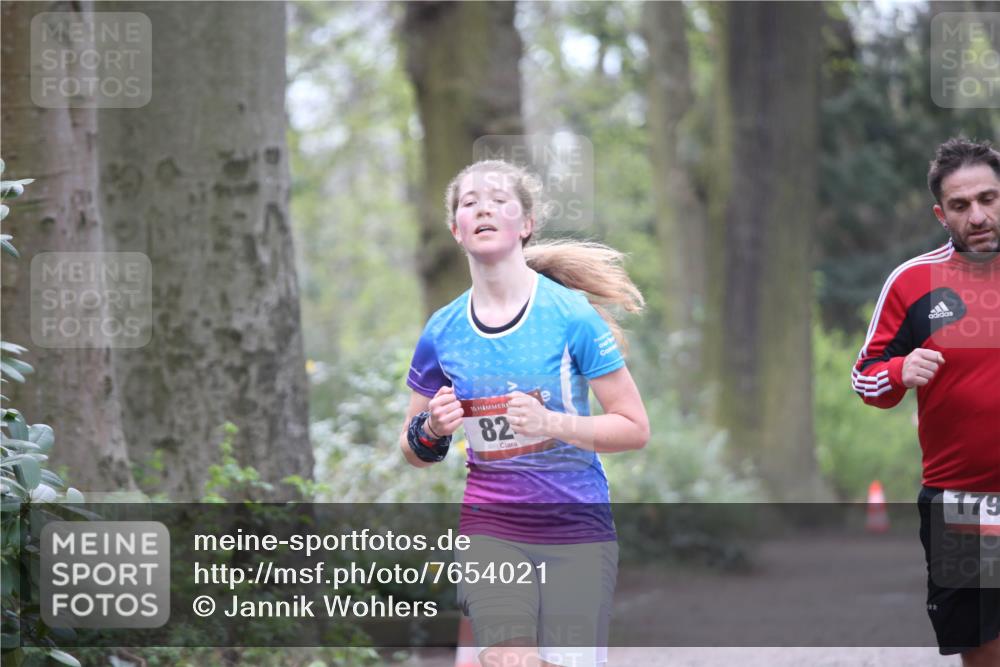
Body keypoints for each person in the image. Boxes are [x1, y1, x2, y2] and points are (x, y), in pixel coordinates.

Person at [398, 159, 649, 667]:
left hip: (574, 524)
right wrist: (432, 430)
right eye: (469, 202)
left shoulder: (569, 315)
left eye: (498, 200)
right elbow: (411, 449)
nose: (483, 208)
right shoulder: (443, 330)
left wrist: (554, 424)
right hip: (491, 527)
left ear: (526, 225)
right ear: (456, 230)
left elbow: (634, 427)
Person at [853, 138, 999, 666]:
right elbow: (865, 376)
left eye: (989, 198)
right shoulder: (913, 282)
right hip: (962, 504)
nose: (978, 215)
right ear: (941, 213)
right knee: (983, 652)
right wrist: (899, 370)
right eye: (961, 206)